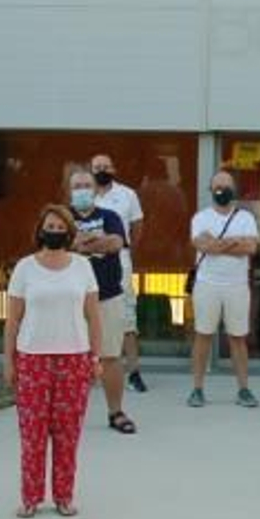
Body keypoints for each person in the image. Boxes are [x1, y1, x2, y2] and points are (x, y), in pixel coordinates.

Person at [3, 205, 101, 518]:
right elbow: (13, 320)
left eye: (61, 226)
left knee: (67, 434)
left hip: (74, 358)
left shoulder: (83, 267)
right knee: (32, 434)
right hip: (32, 358)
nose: (55, 231)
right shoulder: (25, 268)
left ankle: (64, 496)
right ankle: (31, 497)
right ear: (40, 229)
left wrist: (95, 357)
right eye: (50, 226)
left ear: (69, 231)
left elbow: (93, 316)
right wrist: (9, 360)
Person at [67, 167, 135, 434]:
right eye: (76, 186)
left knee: (110, 357)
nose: (82, 190)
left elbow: (116, 243)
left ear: (94, 189)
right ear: (69, 190)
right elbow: (55, 245)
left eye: (86, 184)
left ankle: (115, 412)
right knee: (70, 359)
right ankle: (68, 416)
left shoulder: (111, 216)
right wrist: (96, 240)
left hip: (108, 296)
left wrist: (80, 243)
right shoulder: (60, 217)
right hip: (70, 300)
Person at [186, 170, 260, 409]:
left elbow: (250, 248)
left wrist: (217, 243)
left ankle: (244, 389)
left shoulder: (246, 217)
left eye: (226, 186)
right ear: (210, 190)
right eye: (217, 186)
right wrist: (233, 241)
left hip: (237, 286)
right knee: (203, 336)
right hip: (207, 285)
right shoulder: (200, 217)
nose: (221, 191)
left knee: (238, 338)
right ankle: (197, 389)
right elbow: (202, 244)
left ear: (233, 189)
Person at [90, 153, 147, 393]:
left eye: (106, 166)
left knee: (126, 318)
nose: (102, 170)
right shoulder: (83, 195)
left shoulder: (127, 195)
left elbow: (137, 227)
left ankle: (133, 372)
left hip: (119, 263)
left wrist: (125, 248)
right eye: (97, 167)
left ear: (113, 169)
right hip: (86, 264)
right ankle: (89, 370)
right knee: (88, 316)